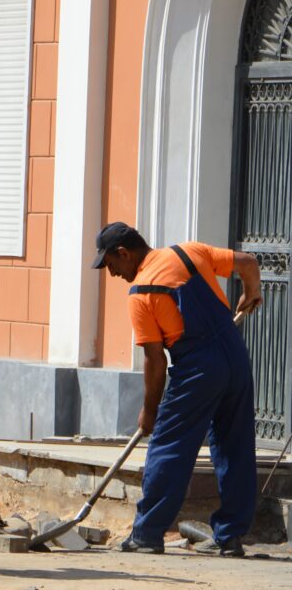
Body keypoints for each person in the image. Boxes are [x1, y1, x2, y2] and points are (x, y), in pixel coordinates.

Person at [93, 222, 262, 556]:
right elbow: (249, 263)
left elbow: (155, 361)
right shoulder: (189, 252)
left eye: (112, 266)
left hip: (198, 369)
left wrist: (150, 411)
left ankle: (147, 534)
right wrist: (251, 291)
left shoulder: (141, 292)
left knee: (169, 446)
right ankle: (229, 538)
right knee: (235, 446)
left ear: (125, 254)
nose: (113, 274)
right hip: (236, 358)